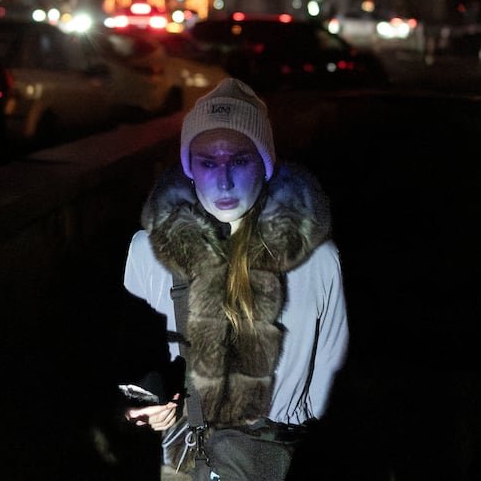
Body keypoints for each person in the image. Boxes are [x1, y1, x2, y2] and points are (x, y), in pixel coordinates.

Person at [120, 78, 348, 479]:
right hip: (181, 461)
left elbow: (329, 376)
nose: (223, 182)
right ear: (190, 168)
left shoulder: (317, 261)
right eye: (208, 163)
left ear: (265, 162)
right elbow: (132, 361)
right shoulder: (148, 251)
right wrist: (148, 402)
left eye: (239, 160)